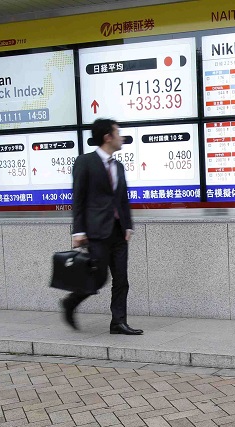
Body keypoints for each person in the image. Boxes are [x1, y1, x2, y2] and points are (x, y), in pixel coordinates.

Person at [60, 118, 143, 335]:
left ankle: (118, 322)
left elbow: (123, 200)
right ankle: (70, 302)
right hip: (96, 232)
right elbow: (78, 199)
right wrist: (78, 231)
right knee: (97, 278)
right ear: (108, 137)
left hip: (118, 232)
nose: (121, 137)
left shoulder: (119, 166)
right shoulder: (85, 162)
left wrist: (128, 226)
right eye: (118, 132)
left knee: (122, 279)